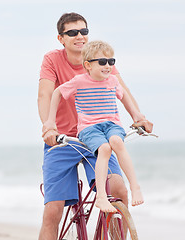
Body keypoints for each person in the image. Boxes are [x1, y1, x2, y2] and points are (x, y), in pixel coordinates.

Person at [37, 12, 153, 240]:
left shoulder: (101, 59)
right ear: (61, 38)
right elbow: (46, 94)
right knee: (53, 210)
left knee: (118, 190)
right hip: (63, 140)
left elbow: (122, 91)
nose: (80, 36)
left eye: (84, 31)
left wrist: (138, 116)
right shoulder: (52, 59)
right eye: (72, 33)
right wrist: (48, 127)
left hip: (98, 137)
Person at [44, 40, 145, 213]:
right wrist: (50, 122)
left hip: (111, 124)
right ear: (88, 65)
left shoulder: (113, 80)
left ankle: (135, 186)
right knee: (104, 149)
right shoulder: (79, 81)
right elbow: (57, 92)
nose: (108, 66)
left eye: (111, 61)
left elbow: (124, 97)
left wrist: (137, 117)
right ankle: (101, 198)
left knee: (117, 143)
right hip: (89, 128)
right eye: (102, 62)